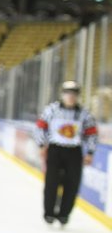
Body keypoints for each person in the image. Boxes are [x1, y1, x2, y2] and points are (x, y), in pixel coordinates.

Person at [36, 80, 98, 225]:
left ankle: (64, 214)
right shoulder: (51, 110)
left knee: (72, 184)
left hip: (74, 152)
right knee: (51, 182)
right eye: (68, 93)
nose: (71, 97)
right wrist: (41, 145)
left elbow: (92, 134)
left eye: (74, 94)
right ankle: (49, 213)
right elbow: (40, 127)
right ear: (62, 94)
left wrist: (90, 152)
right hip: (55, 150)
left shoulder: (84, 114)